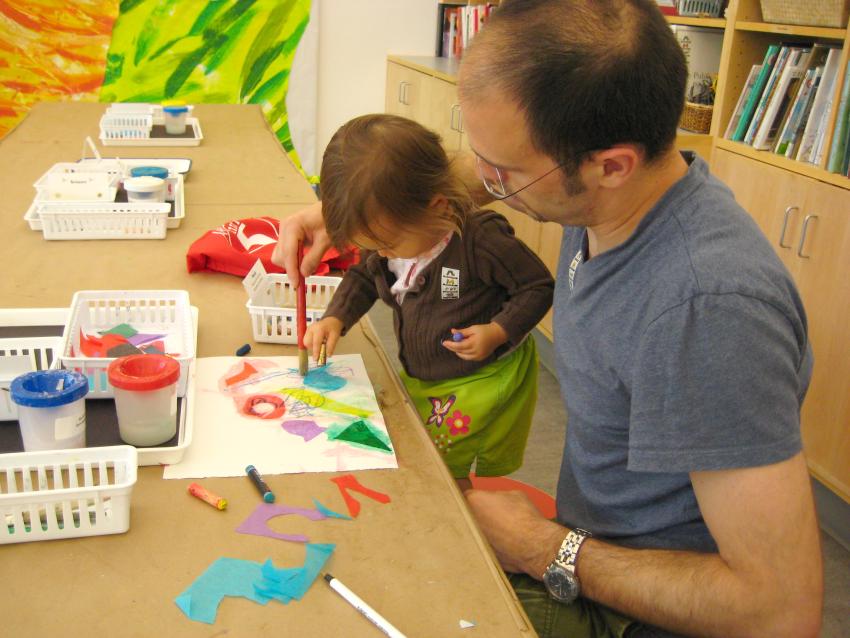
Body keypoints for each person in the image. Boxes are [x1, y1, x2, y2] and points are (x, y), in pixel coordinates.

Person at [272, 1, 824, 636]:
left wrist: (548, 550)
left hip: (647, 610)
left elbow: (779, 611)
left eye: (500, 171)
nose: (481, 180)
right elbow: (469, 184)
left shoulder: (706, 312)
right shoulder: (609, 199)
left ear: (610, 165)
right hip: (592, 547)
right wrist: (356, 216)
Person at [304, 113, 554, 489]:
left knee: (444, 469)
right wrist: (335, 318)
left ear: (436, 206)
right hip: (427, 374)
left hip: (478, 380)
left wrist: (498, 331)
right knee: (427, 454)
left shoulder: (479, 242)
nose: (382, 254)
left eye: (387, 244)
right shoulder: (396, 235)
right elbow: (362, 275)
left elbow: (537, 286)